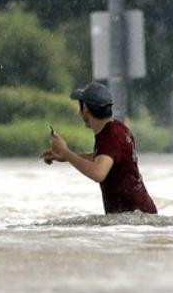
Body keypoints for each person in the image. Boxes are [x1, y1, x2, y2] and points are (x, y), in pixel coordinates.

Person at [41, 81, 157, 215]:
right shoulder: (117, 129)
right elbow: (105, 159)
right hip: (138, 215)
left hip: (136, 219)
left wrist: (66, 152)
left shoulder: (111, 136)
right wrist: (66, 156)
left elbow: (98, 173)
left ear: (85, 109)